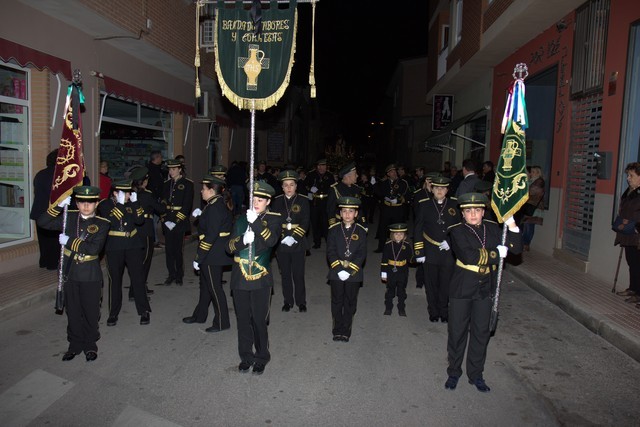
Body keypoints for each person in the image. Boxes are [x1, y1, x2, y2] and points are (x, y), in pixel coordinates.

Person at [444, 193, 522, 393]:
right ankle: (454, 371)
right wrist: (496, 254)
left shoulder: (493, 228)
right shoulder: (457, 230)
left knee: (481, 333)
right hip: (462, 287)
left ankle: (476, 374)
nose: (473, 214)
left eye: (477, 210)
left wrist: (512, 224)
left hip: (485, 287)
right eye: (468, 210)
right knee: (457, 332)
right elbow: (468, 256)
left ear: (483, 211)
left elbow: (516, 248)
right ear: (462, 213)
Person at [37, 186, 109, 362]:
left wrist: (69, 241)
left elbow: (93, 248)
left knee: (91, 312)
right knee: (73, 311)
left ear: (96, 203)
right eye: (82, 202)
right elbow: (42, 222)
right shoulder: (69, 217)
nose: (86, 206)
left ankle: (90, 345)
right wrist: (58, 206)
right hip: (70, 272)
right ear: (76, 203)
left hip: (90, 275)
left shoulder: (102, 223)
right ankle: (75, 345)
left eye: (90, 202)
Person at [227, 181, 283, 375]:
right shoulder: (241, 219)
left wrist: (256, 223)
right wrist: (243, 240)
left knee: (259, 320)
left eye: (260, 199)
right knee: (243, 319)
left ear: (268, 201)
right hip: (240, 277)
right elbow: (229, 246)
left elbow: (270, 241)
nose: (256, 202)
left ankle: (261, 356)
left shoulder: (275, 219)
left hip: (260, 278)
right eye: (253, 199)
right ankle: (246, 356)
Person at [98, 180, 151, 326]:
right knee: (115, 280)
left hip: (132, 245)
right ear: (115, 193)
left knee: (138, 279)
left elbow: (140, 221)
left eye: (129, 192)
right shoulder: (104, 204)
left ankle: (144, 311)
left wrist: (135, 204)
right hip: (114, 246)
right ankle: (113, 313)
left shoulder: (131, 203)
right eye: (125, 193)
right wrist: (120, 204)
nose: (128, 195)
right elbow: (110, 222)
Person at [184, 176, 233, 332]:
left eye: (204, 189)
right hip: (212, 252)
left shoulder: (215, 207)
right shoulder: (213, 204)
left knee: (214, 289)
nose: (201, 191)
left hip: (213, 253)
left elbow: (211, 235)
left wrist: (200, 256)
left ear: (212, 190)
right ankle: (200, 315)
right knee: (205, 287)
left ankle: (222, 322)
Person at [414, 176, 460, 322]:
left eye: (443, 188)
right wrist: (419, 251)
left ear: (447, 190)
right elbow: (418, 229)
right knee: (431, 284)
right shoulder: (424, 205)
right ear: (432, 189)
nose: (439, 190)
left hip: (448, 253)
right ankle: (433, 311)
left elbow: (460, 229)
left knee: (446, 284)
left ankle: (444, 311)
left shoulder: (455, 205)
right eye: (436, 188)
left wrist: (451, 242)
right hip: (430, 251)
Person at [326, 196, 368, 342]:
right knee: (337, 301)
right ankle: (337, 329)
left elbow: (362, 253)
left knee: (350, 301)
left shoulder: (361, 231)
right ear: (340, 213)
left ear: (356, 214)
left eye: (351, 211)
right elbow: (330, 251)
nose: (347, 214)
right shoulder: (334, 230)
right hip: (336, 272)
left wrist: (349, 270)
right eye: (344, 211)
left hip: (354, 273)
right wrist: (339, 269)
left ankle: (346, 329)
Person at [271, 170, 310, 312]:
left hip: (298, 243)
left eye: (291, 185)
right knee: (285, 274)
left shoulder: (303, 200)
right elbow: (273, 222)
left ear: (296, 186)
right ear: (282, 187)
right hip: (281, 244)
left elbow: (305, 221)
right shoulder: (276, 201)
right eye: (285, 185)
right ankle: (288, 301)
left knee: (298, 274)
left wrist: (294, 236)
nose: (289, 188)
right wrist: (282, 237)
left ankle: (301, 301)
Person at [129, 167, 165, 300]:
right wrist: (164, 203)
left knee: (136, 262)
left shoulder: (130, 194)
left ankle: (139, 288)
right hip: (145, 230)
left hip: (133, 231)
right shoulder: (146, 195)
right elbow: (160, 208)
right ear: (143, 181)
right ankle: (137, 292)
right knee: (144, 263)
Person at [160, 159, 194, 285]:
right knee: (169, 250)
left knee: (178, 250)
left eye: (174, 169)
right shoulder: (166, 184)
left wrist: (176, 221)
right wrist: (164, 219)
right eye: (169, 169)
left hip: (179, 222)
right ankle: (171, 274)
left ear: (180, 169)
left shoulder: (188, 184)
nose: (171, 171)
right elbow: (163, 202)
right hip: (167, 219)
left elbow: (187, 205)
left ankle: (179, 275)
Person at [614, 162, 640, 305]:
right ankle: (633, 288)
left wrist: (637, 226)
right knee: (631, 262)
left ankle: (638, 293)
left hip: (637, 234)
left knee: (637, 263)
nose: (628, 178)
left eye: (632, 176)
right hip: (628, 232)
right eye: (628, 175)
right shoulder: (630, 191)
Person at [30, 149, 61, 270]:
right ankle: (52, 264)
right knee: (54, 240)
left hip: (39, 211)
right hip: (52, 212)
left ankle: (44, 261)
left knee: (43, 239)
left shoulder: (40, 174)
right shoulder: (59, 176)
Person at [380, 223, 413, 316]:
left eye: (401, 234)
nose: (399, 236)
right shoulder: (388, 245)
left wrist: (415, 259)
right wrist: (383, 274)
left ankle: (401, 308)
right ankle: (388, 307)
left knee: (401, 291)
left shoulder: (407, 245)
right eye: (396, 234)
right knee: (390, 290)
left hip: (402, 271)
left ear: (405, 235)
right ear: (392, 235)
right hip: (391, 270)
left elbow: (410, 258)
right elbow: (384, 261)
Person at [374, 164, 408, 252]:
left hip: (397, 209)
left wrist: (398, 200)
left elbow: (407, 194)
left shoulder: (402, 182)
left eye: (394, 171)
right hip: (387, 208)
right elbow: (378, 192)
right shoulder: (384, 183)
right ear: (388, 174)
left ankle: (398, 246)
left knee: (398, 229)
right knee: (383, 228)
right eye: (391, 172)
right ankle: (381, 247)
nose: (394, 173)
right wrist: (383, 196)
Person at [304, 159, 335, 248]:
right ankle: (317, 242)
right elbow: (305, 185)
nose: (322, 167)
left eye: (324, 165)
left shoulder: (329, 176)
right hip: (315, 202)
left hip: (325, 201)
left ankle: (328, 241)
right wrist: (310, 189)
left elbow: (333, 189)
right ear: (317, 166)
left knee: (326, 223)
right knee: (315, 222)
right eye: (320, 166)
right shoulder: (311, 174)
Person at [327, 162, 366, 227]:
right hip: (340, 223)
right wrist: (333, 226)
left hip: (356, 223)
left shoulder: (357, 188)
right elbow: (331, 210)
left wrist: (363, 223)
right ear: (348, 176)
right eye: (355, 174)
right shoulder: (335, 189)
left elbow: (360, 208)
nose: (357, 176)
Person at [520, 166, 545, 251]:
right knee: (526, 224)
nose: (531, 173)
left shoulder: (539, 182)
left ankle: (526, 243)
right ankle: (524, 243)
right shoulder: (531, 181)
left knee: (529, 225)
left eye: (533, 172)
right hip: (528, 206)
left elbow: (531, 192)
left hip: (533, 207)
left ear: (538, 173)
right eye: (531, 172)